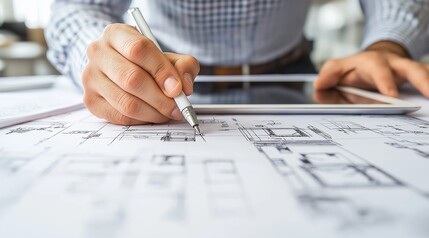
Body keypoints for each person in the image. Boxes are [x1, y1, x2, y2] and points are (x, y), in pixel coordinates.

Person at [45, 0, 429, 125]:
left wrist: (388, 44)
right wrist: (103, 57)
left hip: (296, 75)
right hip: (167, 75)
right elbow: (74, 9)